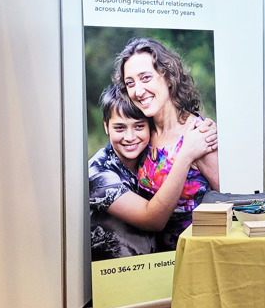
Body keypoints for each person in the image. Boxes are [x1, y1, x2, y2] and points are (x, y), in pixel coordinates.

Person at [89, 84, 217, 261]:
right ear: (106, 127)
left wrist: (205, 129)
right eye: (119, 128)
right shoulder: (98, 173)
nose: (130, 137)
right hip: (116, 274)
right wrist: (186, 154)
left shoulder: (151, 155)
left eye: (139, 126)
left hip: (159, 266)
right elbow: (153, 220)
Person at [114, 38, 219, 251]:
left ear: (169, 78)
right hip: (151, 262)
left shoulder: (197, 134)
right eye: (130, 83)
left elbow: (231, 200)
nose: (138, 90)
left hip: (194, 255)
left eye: (146, 78)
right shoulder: (141, 134)